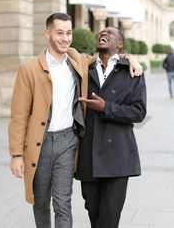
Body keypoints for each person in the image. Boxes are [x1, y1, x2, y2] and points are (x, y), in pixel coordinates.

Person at [8, 13, 142, 228]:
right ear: (47, 33)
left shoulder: (77, 60)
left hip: (68, 142)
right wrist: (16, 154)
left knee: (63, 201)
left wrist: (130, 58)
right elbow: (18, 116)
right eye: (59, 33)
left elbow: (109, 56)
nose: (65, 38)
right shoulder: (29, 69)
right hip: (39, 144)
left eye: (68, 33)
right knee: (41, 201)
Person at [75, 26, 147, 228]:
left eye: (110, 33)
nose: (103, 34)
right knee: (93, 212)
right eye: (101, 33)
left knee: (109, 218)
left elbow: (139, 112)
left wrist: (107, 107)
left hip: (118, 156)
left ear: (120, 43)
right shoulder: (84, 69)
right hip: (88, 156)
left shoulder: (132, 72)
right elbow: (66, 51)